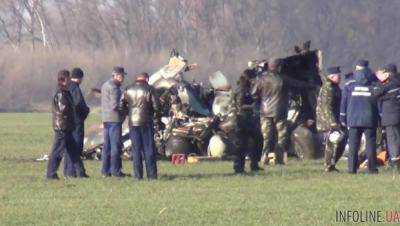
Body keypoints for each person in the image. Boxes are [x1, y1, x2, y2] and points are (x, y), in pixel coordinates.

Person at [119, 73, 161, 180]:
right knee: (148, 149)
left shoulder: (128, 89)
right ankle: (151, 175)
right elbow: (156, 106)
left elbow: (121, 105)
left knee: (136, 149)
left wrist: (128, 112)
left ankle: (138, 176)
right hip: (146, 122)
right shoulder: (150, 89)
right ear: (146, 79)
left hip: (133, 122)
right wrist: (155, 118)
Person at [46, 70, 86, 179]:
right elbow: (63, 109)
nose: (70, 81)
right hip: (62, 127)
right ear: (63, 80)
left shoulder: (66, 92)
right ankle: (51, 174)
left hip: (68, 127)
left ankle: (81, 173)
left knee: (74, 151)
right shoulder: (60, 94)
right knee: (57, 152)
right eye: (68, 79)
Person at [340, 69, 379, 174]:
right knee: (370, 145)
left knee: (353, 145)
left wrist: (342, 118)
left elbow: (343, 103)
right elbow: (378, 103)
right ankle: (372, 168)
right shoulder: (373, 86)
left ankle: (351, 169)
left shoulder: (349, 86)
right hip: (369, 120)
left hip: (353, 119)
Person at [316, 67, 346, 172]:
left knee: (338, 142)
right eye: (338, 75)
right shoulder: (328, 88)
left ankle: (331, 164)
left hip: (334, 119)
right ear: (331, 76)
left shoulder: (334, 87)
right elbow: (326, 106)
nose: (340, 78)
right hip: (328, 120)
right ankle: (328, 165)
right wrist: (332, 122)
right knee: (332, 142)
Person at [233, 70, 262, 173]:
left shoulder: (247, 89)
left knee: (257, 140)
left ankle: (254, 164)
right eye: (254, 78)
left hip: (249, 119)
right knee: (242, 144)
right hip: (242, 119)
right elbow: (239, 105)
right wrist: (252, 106)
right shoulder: (241, 89)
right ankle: (239, 167)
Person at [63, 68, 90, 178]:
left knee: (68, 147)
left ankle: (68, 171)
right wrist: (86, 111)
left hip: (67, 122)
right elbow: (79, 104)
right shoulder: (75, 88)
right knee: (76, 146)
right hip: (76, 122)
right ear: (80, 78)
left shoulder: (66, 87)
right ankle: (73, 172)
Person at [101, 66, 126, 177]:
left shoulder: (105, 85)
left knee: (107, 146)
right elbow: (115, 105)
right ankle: (116, 171)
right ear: (115, 75)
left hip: (106, 119)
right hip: (115, 120)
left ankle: (105, 171)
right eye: (121, 76)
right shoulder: (114, 88)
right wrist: (125, 111)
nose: (123, 78)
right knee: (115, 146)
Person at [376, 64, 400, 171]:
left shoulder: (391, 84)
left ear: (388, 73)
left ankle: (395, 162)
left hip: (391, 117)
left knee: (392, 139)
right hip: (396, 116)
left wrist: (380, 79)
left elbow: (378, 93)